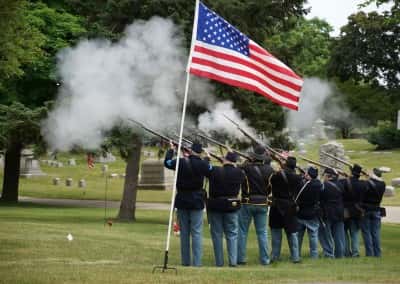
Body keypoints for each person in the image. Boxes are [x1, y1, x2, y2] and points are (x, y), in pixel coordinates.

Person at [164, 141, 211, 267]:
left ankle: (185, 262)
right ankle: (197, 262)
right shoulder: (203, 163)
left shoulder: (179, 161)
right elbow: (209, 169)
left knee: (184, 233)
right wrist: (207, 158)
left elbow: (167, 163)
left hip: (182, 200)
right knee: (196, 233)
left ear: (190, 150)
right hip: (196, 201)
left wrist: (171, 150)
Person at [207, 151, 245, 267]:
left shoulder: (215, 170)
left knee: (217, 235)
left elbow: (205, 169)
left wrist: (208, 158)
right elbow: (241, 170)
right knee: (232, 234)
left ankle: (219, 262)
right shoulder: (239, 172)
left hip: (216, 205)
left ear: (225, 159)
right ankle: (233, 262)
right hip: (231, 206)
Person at [237, 145, 274, 265]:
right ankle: (265, 260)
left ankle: (241, 259)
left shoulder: (246, 167)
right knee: (262, 233)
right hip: (263, 202)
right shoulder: (270, 170)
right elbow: (269, 188)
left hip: (247, 202)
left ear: (253, 157)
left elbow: (239, 167)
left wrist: (248, 159)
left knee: (242, 232)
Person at [269, 156, 303, 263]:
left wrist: (279, 169)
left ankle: (275, 256)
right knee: (292, 233)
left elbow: (271, 184)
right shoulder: (298, 178)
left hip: (276, 206)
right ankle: (295, 257)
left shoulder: (277, 175)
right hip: (290, 207)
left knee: (276, 233)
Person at [340, 164, 367, 257]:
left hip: (345, 211)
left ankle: (347, 252)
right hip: (357, 211)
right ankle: (355, 253)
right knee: (354, 233)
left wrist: (346, 177)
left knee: (344, 232)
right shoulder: (363, 184)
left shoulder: (343, 181)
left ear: (351, 172)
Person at [296, 166, 323, 259]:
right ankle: (314, 255)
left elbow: (298, 198)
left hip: (302, 213)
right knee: (313, 236)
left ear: (308, 174)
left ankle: (296, 254)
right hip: (313, 213)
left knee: (299, 236)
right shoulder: (320, 185)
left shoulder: (303, 185)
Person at [319, 168, 346, 258]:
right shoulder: (341, 185)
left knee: (326, 235)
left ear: (327, 176)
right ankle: (340, 254)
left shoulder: (324, 185)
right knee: (339, 236)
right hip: (339, 212)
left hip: (328, 212)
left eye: (324, 175)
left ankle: (329, 254)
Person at [360, 168, 386, 257]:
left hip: (366, 209)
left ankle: (369, 253)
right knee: (376, 233)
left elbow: (363, 193)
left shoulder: (367, 183)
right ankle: (378, 253)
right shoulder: (383, 184)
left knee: (366, 232)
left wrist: (367, 178)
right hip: (377, 209)